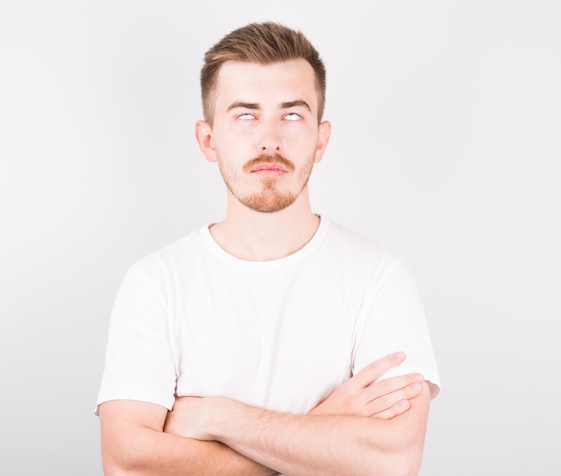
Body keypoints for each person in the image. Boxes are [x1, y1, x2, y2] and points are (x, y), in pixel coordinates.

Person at [96, 21, 441, 475]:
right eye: (245, 115)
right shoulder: (155, 283)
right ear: (208, 140)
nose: (270, 139)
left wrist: (217, 417)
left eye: (292, 115)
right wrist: (324, 430)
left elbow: (392, 461)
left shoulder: (379, 277)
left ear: (321, 139)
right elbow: (128, 465)